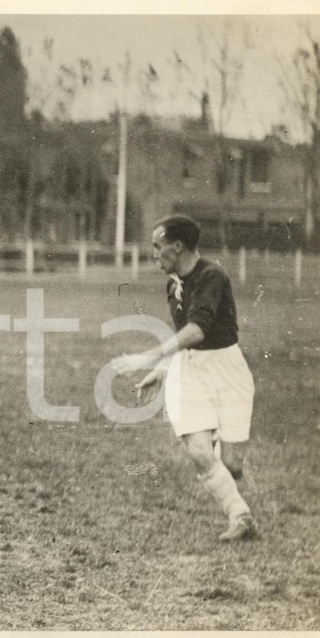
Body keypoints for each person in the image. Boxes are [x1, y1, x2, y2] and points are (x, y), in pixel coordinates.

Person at [113, 214, 257, 542]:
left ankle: (227, 467)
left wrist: (150, 356)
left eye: (157, 246)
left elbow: (199, 329)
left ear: (177, 247)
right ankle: (240, 515)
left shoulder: (212, 276)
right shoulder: (172, 285)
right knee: (199, 451)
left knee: (232, 464)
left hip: (226, 367)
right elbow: (185, 336)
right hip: (190, 368)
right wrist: (161, 370)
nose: (153, 253)